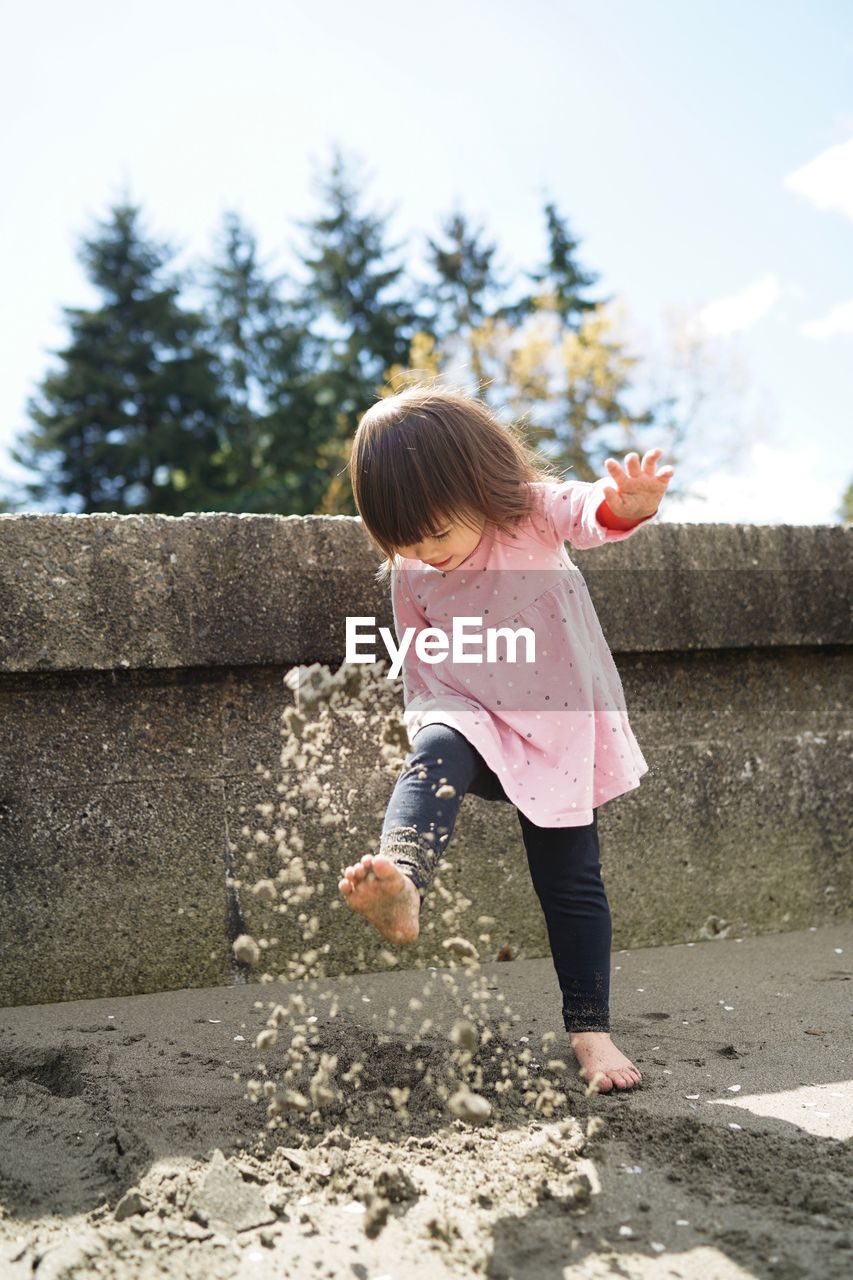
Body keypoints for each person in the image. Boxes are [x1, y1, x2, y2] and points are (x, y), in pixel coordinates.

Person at [338, 383, 674, 1093]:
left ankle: (590, 1032)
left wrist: (626, 507)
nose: (425, 553)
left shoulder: (525, 511)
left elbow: (586, 510)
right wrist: (435, 722)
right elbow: (419, 664)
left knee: (570, 880)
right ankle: (403, 883)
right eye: (405, 540)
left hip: (557, 733)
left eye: (435, 532)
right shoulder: (411, 570)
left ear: (478, 487)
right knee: (434, 745)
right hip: (471, 718)